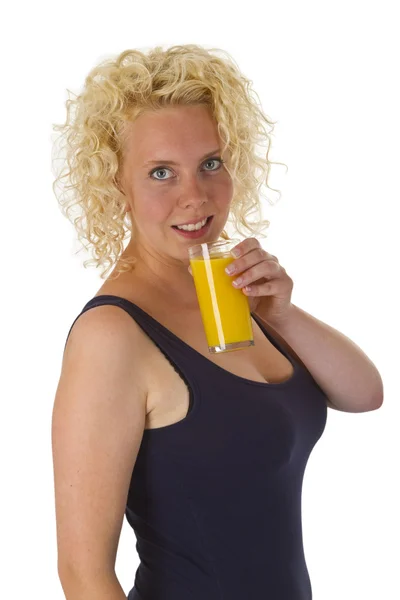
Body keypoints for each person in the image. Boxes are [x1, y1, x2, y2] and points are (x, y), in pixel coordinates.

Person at [51, 44, 384, 600]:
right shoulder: (111, 336)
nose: (195, 197)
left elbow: (365, 393)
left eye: (211, 163)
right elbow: (83, 574)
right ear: (117, 188)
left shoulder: (231, 293)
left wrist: (282, 312)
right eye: (162, 172)